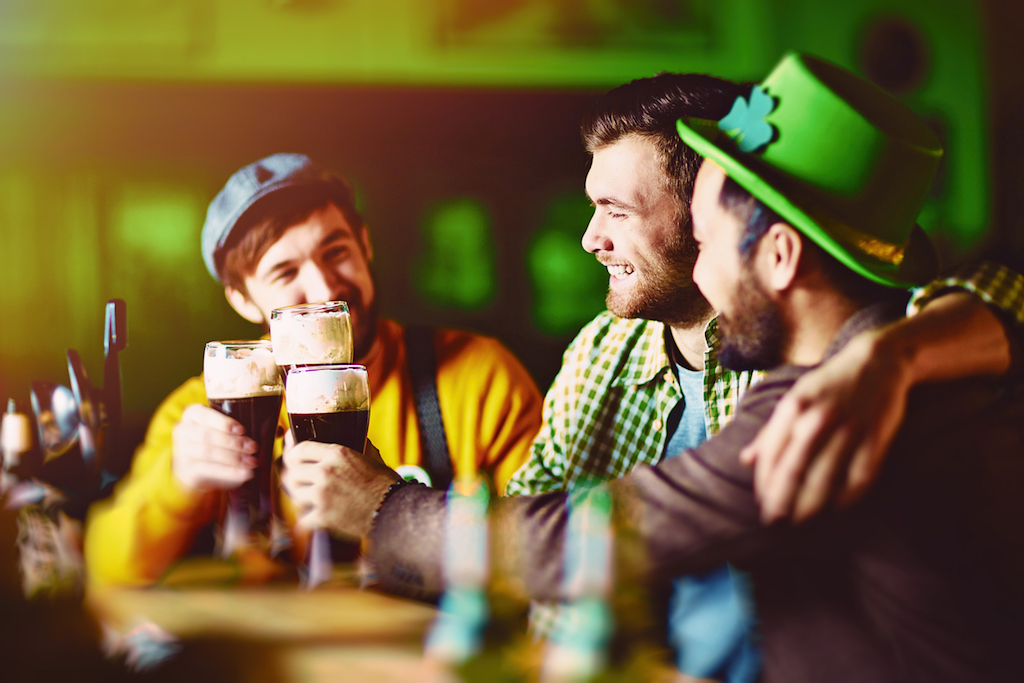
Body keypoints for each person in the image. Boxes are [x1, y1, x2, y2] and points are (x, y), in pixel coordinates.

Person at [283, 53, 1024, 682]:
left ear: (778, 253)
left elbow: (575, 544)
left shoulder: (826, 400)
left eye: (710, 235)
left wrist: (384, 509)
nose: (703, 267)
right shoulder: (612, 350)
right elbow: (533, 534)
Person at [504, 75, 1023, 680]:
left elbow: (1005, 292)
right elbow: (529, 521)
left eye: (617, 210)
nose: (591, 239)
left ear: (706, 205)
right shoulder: (601, 349)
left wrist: (885, 357)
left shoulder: (827, 359)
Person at [84, 154, 544, 586]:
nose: (324, 289)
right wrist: (178, 482)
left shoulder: (479, 378)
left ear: (365, 245)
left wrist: (394, 507)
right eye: (285, 273)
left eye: (336, 251)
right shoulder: (206, 407)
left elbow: (551, 550)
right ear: (242, 300)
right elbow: (108, 565)